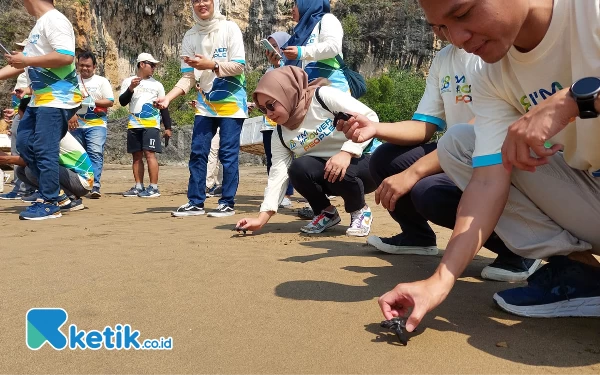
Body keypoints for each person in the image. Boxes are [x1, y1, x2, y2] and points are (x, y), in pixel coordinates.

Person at [379, 0, 600, 331]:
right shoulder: (491, 75)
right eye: (442, 27)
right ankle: (580, 272)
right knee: (459, 144)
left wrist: (574, 100)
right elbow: (486, 183)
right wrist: (440, 280)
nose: (457, 38)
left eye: (463, 13)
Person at [338, 39, 539, 282]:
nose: (446, 32)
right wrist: (374, 128)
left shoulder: (496, 50)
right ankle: (417, 236)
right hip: (460, 151)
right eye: (437, 27)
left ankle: (521, 247)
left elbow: (490, 122)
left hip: (502, 153)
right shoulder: (445, 58)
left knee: (429, 192)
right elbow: (425, 125)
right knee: (384, 158)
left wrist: (413, 173)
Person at [236, 66, 378, 236]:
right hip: (331, 171)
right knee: (298, 168)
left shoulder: (323, 97)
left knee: (339, 167)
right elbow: (278, 175)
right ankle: (326, 212)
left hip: (367, 161)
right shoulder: (280, 133)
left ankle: (359, 210)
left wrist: (347, 152)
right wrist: (261, 219)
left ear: (286, 92)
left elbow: (369, 118)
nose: (269, 114)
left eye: (271, 105)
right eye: (263, 109)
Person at [156, 0, 247, 218]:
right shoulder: (190, 35)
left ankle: (227, 202)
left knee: (227, 154)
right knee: (198, 152)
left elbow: (239, 66)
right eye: (195, 1)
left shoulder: (230, 28)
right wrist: (168, 98)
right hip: (205, 105)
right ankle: (195, 201)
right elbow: (188, 77)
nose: (200, 4)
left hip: (232, 104)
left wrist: (212, 65)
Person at [0, 0, 82, 220]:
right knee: (26, 144)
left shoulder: (55, 20)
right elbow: (23, 64)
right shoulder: (39, 25)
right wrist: (23, 61)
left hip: (58, 99)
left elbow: (66, 56)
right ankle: (59, 196)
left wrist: (26, 59)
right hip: (39, 99)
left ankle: (49, 201)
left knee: (45, 149)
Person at [0, 131, 93, 215]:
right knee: (21, 170)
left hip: (81, 181)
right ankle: (55, 196)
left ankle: (70, 199)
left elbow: (37, 160)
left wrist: (6, 158)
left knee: (32, 170)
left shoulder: (46, 128)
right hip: (71, 176)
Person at [119, 52, 172, 198]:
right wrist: (130, 88)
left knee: (150, 154)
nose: (154, 68)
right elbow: (123, 102)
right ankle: (138, 186)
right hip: (134, 124)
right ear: (142, 64)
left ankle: (154, 187)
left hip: (151, 125)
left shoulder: (157, 85)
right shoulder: (129, 81)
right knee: (136, 155)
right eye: (152, 65)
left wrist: (168, 127)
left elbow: (164, 106)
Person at [69, 51, 114, 199]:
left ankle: (94, 185)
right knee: (77, 155)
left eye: (88, 66)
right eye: (81, 65)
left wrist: (90, 101)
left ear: (94, 66)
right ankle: (77, 185)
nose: (84, 68)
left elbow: (110, 101)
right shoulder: (72, 81)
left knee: (95, 153)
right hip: (75, 125)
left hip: (97, 124)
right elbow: (66, 101)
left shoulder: (102, 81)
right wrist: (71, 114)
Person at [280, 0, 348, 93]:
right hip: (309, 94)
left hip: (331, 89)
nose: (292, 9)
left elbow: (333, 47)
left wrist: (301, 52)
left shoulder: (327, 19)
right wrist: (278, 64)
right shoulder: (300, 33)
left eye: (296, 4)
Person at [262, 31, 294, 208]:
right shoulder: (268, 70)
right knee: (273, 158)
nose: (273, 50)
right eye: (270, 46)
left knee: (292, 158)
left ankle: (288, 193)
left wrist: (279, 65)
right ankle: (277, 192)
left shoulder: (294, 66)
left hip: (288, 123)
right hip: (269, 123)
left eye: (275, 46)